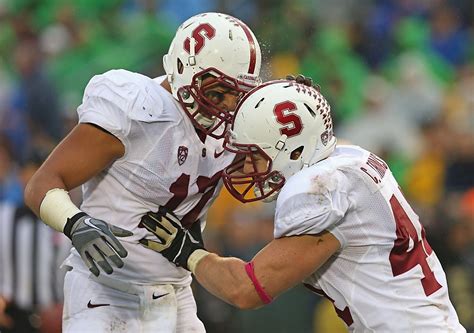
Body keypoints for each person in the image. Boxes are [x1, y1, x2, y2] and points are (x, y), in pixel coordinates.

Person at [139, 79, 467, 332]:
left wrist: (189, 253)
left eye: (255, 155)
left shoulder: (320, 190)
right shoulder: (351, 161)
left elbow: (247, 289)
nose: (248, 167)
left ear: (294, 151)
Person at [24, 12, 262, 332]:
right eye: (218, 93)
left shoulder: (240, 123)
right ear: (182, 71)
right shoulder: (136, 109)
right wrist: (75, 222)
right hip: (107, 291)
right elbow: (41, 183)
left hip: (176, 290)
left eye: (238, 95)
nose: (227, 108)